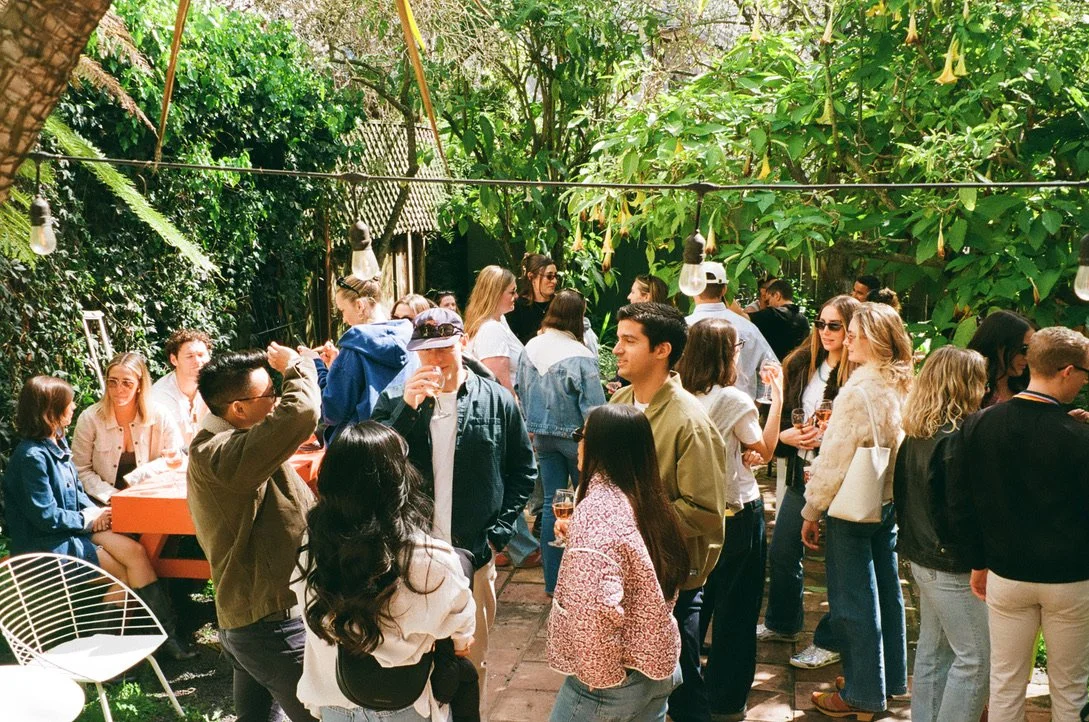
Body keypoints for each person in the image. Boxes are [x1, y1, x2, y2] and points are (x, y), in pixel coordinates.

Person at [372, 308, 537, 708]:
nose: (436, 358)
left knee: (469, 661)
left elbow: (523, 472)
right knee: (412, 660)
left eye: (445, 347)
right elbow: (374, 469)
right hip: (410, 555)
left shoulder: (496, 399)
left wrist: (497, 535)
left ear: (463, 343)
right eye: (426, 350)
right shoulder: (396, 399)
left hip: (472, 556)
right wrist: (407, 412)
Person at [947, 326, 1089, 722]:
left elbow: (961, 502)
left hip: (1006, 573)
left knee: (1006, 683)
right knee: (1070, 687)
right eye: (1084, 373)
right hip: (1071, 578)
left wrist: (977, 561)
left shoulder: (978, 424)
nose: (1083, 381)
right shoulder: (1078, 437)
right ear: (1065, 371)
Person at [293, 422, 477, 722]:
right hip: (405, 704)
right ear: (399, 480)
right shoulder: (431, 559)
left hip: (332, 700)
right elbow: (461, 635)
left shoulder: (313, 547)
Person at [3, 375, 194, 660]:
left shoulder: (57, 441)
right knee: (121, 574)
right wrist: (88, 520)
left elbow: (76, 491)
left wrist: (98, 513)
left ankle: (167, 638)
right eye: (68, 404)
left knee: (136, 552)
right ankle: (104, 654)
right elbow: (44, 516)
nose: (74, 406)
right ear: (49, 412)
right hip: (46, 541)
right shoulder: (32, 457)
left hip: (70, 527)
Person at [188, 344, 321, 722]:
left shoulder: (234, 445)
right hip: (269, 629)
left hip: (253, 622)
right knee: (323, 715)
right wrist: (296, 367)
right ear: (238, 410)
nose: (277, 402)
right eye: (270, 395)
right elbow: (303, 412)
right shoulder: (222, 455)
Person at [610, 302, 727, 722]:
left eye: (629, 340)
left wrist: (626, 522)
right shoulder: (622, 401)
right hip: (625, 572)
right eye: (618, 338)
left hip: (672, 579)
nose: (617, 349)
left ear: (662, 350)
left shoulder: (689, 421)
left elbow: (706, 511)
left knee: (680, 685)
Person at [800, 302, 912, 719]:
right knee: (887, 591)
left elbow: (834, 460)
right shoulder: (901, 383)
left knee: (853, 601)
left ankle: (863, 693)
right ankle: (891, 680)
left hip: (851, 506)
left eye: (854, 332)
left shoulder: (858, 390)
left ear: (877, 340)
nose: (846, 338)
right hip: (885, 501)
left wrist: (811, 510)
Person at [547, 404, 687, 722]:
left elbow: (592, 611)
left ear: (600, 446)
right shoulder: (646, 497)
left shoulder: (597, 509)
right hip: (656, 666)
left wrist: (601, 679)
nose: (577, 442)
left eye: (581, 435)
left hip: (611, 685)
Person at [677, 318, 783, 721]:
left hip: (696, 514)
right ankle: (725, 699)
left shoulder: (680, 395)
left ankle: (684, 693)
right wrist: (778, 394)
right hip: (737, 512)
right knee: (737, 611)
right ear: (727, 353)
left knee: (692, 605)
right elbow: (767, 449)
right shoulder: (735, 400)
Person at [760, 295, 860, 671]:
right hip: (804, 473)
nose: (826, 332)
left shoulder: (858, 373)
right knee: (783, 551)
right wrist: (787, 436)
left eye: (835, 325)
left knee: (839, 565)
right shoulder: (802, 364)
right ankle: (783, 623)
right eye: (821, 323)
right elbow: (780, 416)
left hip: (842, 478)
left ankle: (831, 640)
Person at [894, 346, 989, 722]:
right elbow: (959, 513)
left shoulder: (918, 433)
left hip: (922, 556)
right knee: (978, 659)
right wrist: (977, 561)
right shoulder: (957, 440)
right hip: (951, 566)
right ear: (964, 385)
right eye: (978, 380)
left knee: (935, 653)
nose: (983, 388)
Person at [515, 290, 606, 595]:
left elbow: (519, 389)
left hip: (541, 437)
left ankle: (554, 584)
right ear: (578, 317)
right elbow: (595, 409)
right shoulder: (581, 355)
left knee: (554, 507)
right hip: (577, 440)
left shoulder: (530, 347)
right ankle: (586, 581)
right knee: (588, 505)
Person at [301, 275, 413, 445]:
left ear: (360, 306)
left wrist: (316, 365)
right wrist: (336, 368)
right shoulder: (411, 342)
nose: (344, 319)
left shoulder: (355, 349)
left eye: (343, 311)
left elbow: (332, 411)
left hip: (361, 447)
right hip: (402, 440)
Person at [72, 352, 182, 504]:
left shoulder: (160, 415)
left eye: (127, 383)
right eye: (112, 382)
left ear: (139, 385)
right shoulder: (90, 418)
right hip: (101, 501)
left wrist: (137, 478)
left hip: (151, 498)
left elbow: (175, 459)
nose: (118, 389)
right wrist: (113, 496)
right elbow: (80, 469)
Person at [686, 261, 776, 400]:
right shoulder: (748, 328)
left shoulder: (682, 327)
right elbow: (772, 368)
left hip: (692, 413)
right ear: (724, 290)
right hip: (741, 412)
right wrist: (757, 402)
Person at [464, 265, 524, 396]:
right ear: (496, 294)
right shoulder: (491, 329)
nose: (517, 296)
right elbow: (499, 385)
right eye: (512, 291)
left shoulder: (499, 320)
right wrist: (515, 412)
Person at [151, 328, 212, 445]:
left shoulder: (216, 386)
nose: (198, 361)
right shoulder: (159, 396)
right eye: (190, 356)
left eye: (201, 355)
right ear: (174, 360)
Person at [967, 309, 1035, 407]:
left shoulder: (1029, 387)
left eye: (1032, 349)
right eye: (1024, 349)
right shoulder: (970, 393)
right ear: (999, 346)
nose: (1028, 357)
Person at [747, 279, 811, 360]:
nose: (768, 305)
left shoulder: (773, 314)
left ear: (777, 295)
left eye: (768, 300)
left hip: (774, 369)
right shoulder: (804, 320)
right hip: (797, 368)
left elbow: (742, 317)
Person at [505, 253, 558, 345]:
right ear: (531, 277)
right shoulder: (516, 306)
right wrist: (539, 334)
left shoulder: (560, 303)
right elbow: (511, 344)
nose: (554, 281)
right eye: (549, 276)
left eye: (555, 276)